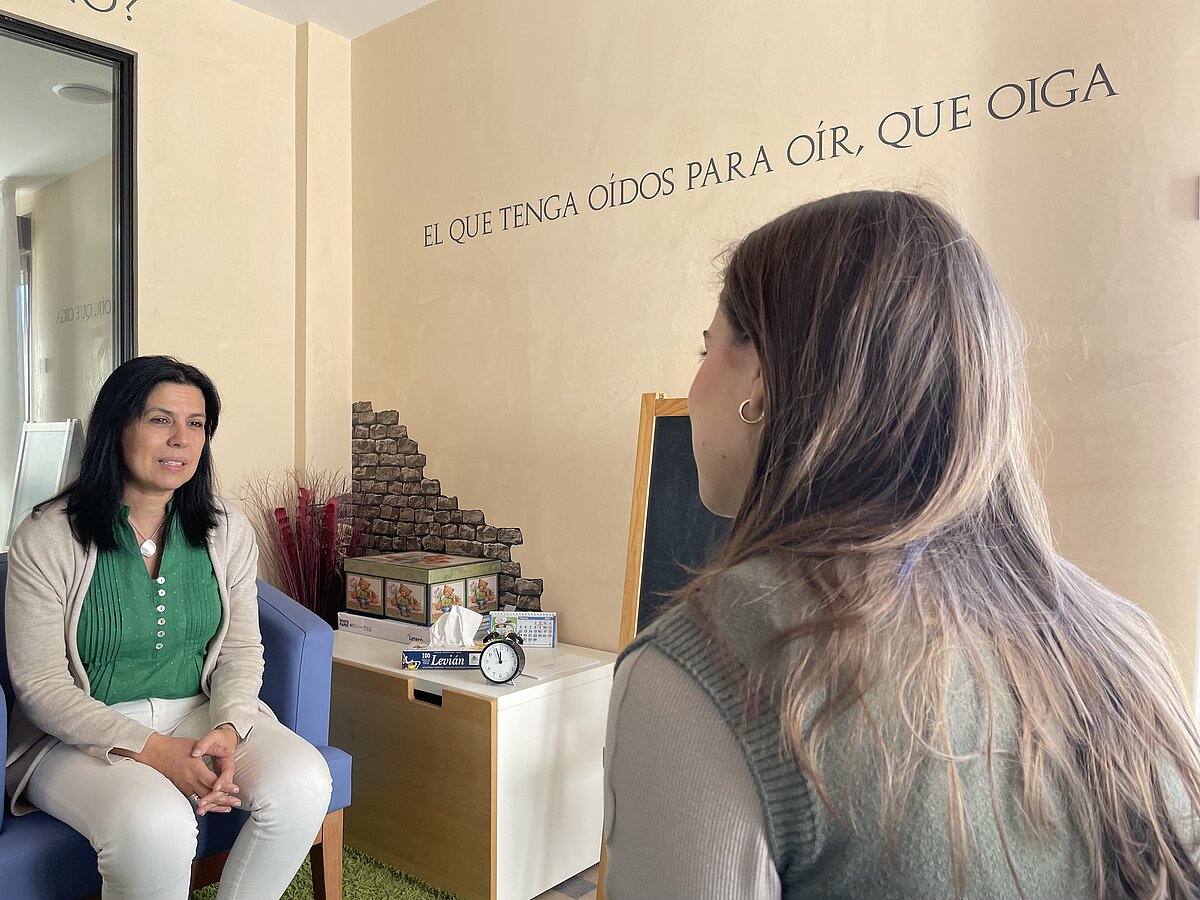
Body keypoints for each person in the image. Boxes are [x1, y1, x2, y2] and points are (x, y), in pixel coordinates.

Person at [603, 191, 1200, 899]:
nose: (694, 379)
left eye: (707, 348)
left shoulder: (706, 672)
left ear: (758, 378)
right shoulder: (1126, 644)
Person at [5, 355, 332, 900]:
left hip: (198, 712)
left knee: (304, 779)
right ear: (117, 427)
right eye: (160, 419)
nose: (181, 438)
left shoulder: (226, 529)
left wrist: (229, 727)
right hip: (78, 736)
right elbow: (39, 685)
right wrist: (152, 749)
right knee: (155, 825)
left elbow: (241, 649)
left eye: (195, 423)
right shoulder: (47, 536)